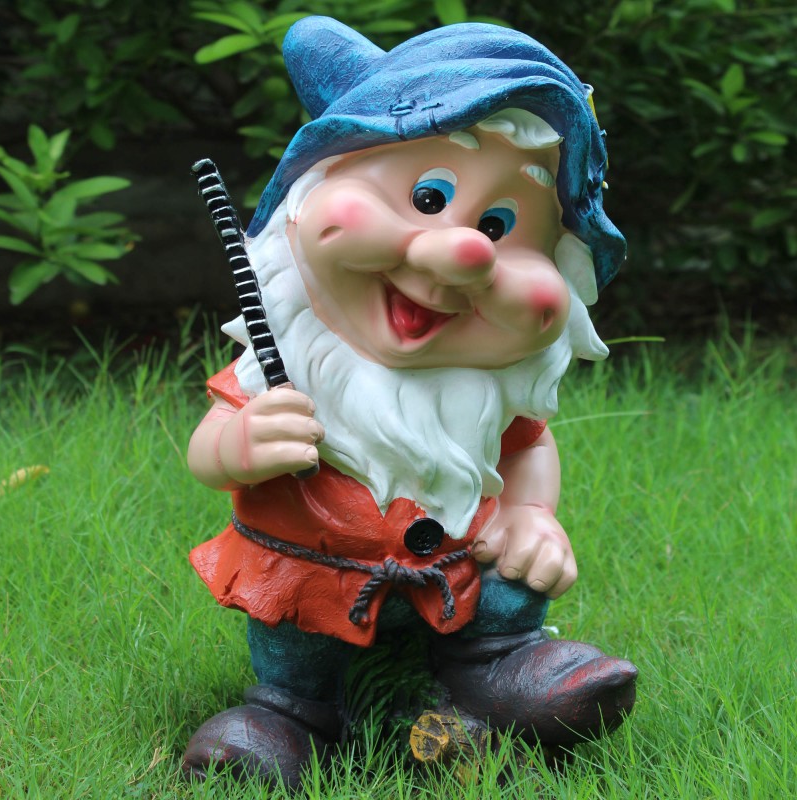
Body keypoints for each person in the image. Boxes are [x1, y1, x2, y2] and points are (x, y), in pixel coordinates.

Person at [182, 16, 637, 786]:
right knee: (296, 651)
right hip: (312, 574)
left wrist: (531, 513)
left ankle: (502, 669)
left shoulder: (486, 388)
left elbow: (527, 444)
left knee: (507, 589)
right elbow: (210, 446)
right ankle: (288, 714)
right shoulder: (293, 366)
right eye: (428, 198)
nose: (461, 254)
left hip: (462, 569)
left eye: (499, 227)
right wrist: (240, 444)